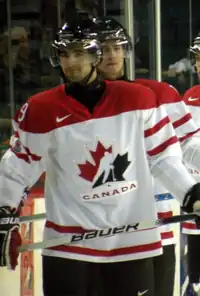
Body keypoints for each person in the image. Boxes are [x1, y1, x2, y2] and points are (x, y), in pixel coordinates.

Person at [0, 18, 200, 296]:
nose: (71, 62)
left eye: (79, 53)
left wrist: (191, 195)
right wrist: (5, 213)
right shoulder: (40, 109)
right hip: (68, 246)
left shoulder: (139, 100)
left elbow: (163, 157)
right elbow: (17, 168)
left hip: (133, 241)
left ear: (95, 55)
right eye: (65, 54)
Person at [94, 17, 200, 296]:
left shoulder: (160, 94)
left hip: (157, 227)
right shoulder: (77, 109)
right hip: (98, 234)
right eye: (104, 48)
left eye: (117, 47)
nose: (112, 55)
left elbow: (190, 146)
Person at [182, 33, 200, 290]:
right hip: (196, 203)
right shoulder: (189, 98)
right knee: (195, 279)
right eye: (197, 59)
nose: (198, 65)